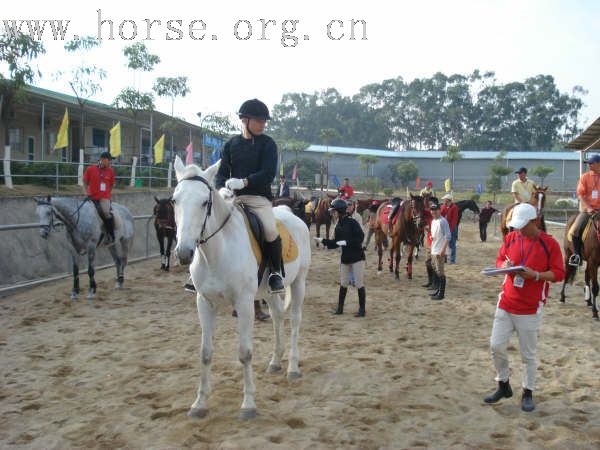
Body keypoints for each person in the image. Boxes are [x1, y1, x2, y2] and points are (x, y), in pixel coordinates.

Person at [483, 203, 565, 412]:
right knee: (495, 346)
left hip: (530, 307)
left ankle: (528, 392)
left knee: (528, 354)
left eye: (522, 226)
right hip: (506, 301)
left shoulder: (550, 244)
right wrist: (503, 266)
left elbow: (558, 273)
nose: (518, 230)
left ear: (535, 221)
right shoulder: (511, 237)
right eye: (516, 226)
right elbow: (500, 258)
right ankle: (503, 384)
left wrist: (536, 275)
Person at [214, 98, 285, 294]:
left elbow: (268, 173)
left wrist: (244, 182)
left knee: (270, 229)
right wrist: (221, 188)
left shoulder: (268, 144)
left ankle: (275, 273)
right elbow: (221, 174)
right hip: (232, 199)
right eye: (259, 120)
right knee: (209, 223)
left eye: (264, 121)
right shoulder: (230, 145)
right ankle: (199, 273)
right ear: (245, 120)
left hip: (258, 199)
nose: (263, 124)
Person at [314, 198, 367, 317]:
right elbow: (335, 244)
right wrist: (324, 241)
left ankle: (362, 309)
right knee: (343, 283)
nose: (332, 214)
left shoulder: (352, 223)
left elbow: (360, 238)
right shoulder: (338, 226)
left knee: (359, 284)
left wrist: (347, 243)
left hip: (357, 257)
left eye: (334, 211)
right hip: (345, 259)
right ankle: (340, 308)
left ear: (340, 211)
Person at [569, 153, 600, 266]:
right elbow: (581, 195)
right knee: (575, 230)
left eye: (591, 163)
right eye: (588, 163)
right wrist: (588, 207)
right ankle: (577, 256)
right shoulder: (585, 177)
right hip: (587, 211)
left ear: (598, 164)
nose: (589, 165)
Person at [82, 151, 116, 244]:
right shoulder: (90, 169)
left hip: (104, 197)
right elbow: (84, 182)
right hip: (91, 197)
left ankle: (110, 234)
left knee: (106, 212)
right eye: (109, 160)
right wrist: (86, 192)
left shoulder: (111, 171)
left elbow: (111, 185)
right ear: (103, 159)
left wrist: (107, 194)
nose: (110, 162)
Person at [428, 202, 450, 300]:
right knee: (435, 269)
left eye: (435, 210)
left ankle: (441, 294)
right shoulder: (433, 221)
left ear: (439, 210)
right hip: (433, 249)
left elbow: (448, 236)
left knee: (440, 272)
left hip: (439, 251)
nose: (433, 212)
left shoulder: (443, 221)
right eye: (432, 211)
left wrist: (443, 250)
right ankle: (438, 290)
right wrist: (431, 237)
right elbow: (435, 234)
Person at [440, 194, 458, 264]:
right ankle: (444, 259)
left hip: (452, 228)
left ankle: (452, 260)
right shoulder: (443, 206)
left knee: (452, 244)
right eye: (444, 201)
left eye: (445, 200)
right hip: (445, 227)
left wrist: (449, 230)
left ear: (449, 201)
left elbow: (454, 220)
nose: (444, 202)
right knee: (443, 243)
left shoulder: (454, 207)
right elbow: (441, 214)